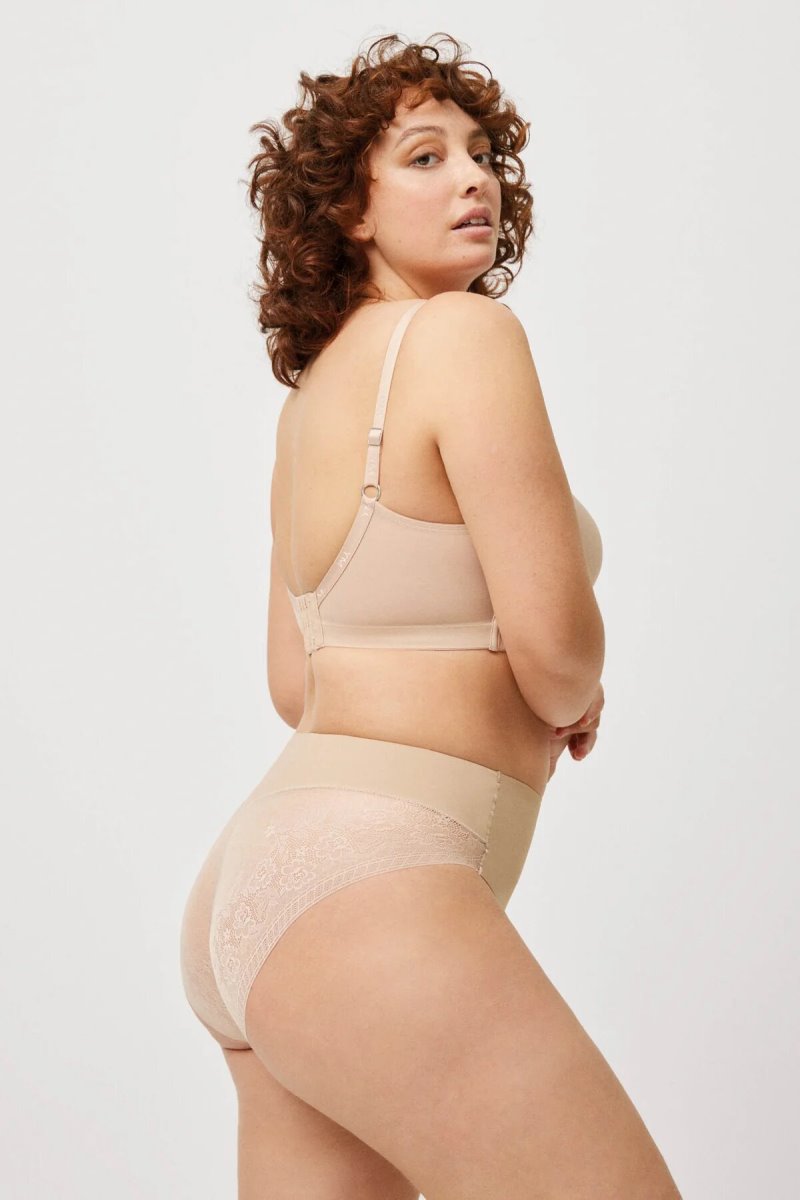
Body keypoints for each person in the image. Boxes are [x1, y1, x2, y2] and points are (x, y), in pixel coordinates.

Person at [179, 32, 682, 1200]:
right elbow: (554, 650)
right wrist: (574, 688)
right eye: (423, 156)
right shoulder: (464, 336)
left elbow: (296, 686)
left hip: (259, 890)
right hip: (370, 887)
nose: (474, 179)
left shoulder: (311, 402)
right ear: (347, 211)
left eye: (480, 155)